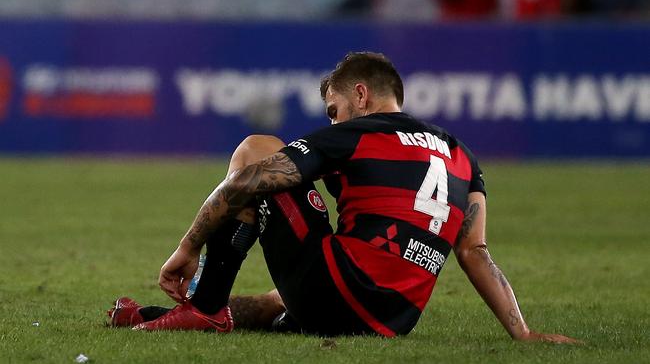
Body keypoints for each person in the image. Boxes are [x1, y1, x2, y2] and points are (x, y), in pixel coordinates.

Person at [108, 52, 579, 342]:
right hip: (392, 320)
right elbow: (474, 251)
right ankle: (163, 316)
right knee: (279, 299)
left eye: (334, 110)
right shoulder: (463, 155)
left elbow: (243, 184)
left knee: (258, 151)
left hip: (340, 294)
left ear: (360, 94)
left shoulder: (357, 135)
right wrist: (522, 332)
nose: (333, 122)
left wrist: (189, 247)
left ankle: (206, 307)